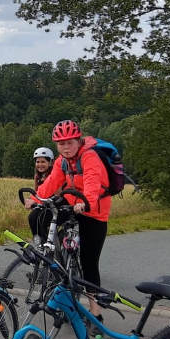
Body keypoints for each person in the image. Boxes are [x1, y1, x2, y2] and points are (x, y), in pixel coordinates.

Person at [29, 120, 111, 318]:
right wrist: (34, 199)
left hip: (93, 211)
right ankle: (51, 253)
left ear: (79, 140)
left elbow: (93, 182)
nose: (65, 147)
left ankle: (95, 310)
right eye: (61, 143)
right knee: (38, 214)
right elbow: (51, 182)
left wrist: (86, 202)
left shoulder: (90, 157)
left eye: (69, 142)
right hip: (71, 204)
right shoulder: (61, 161)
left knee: (89, 261)